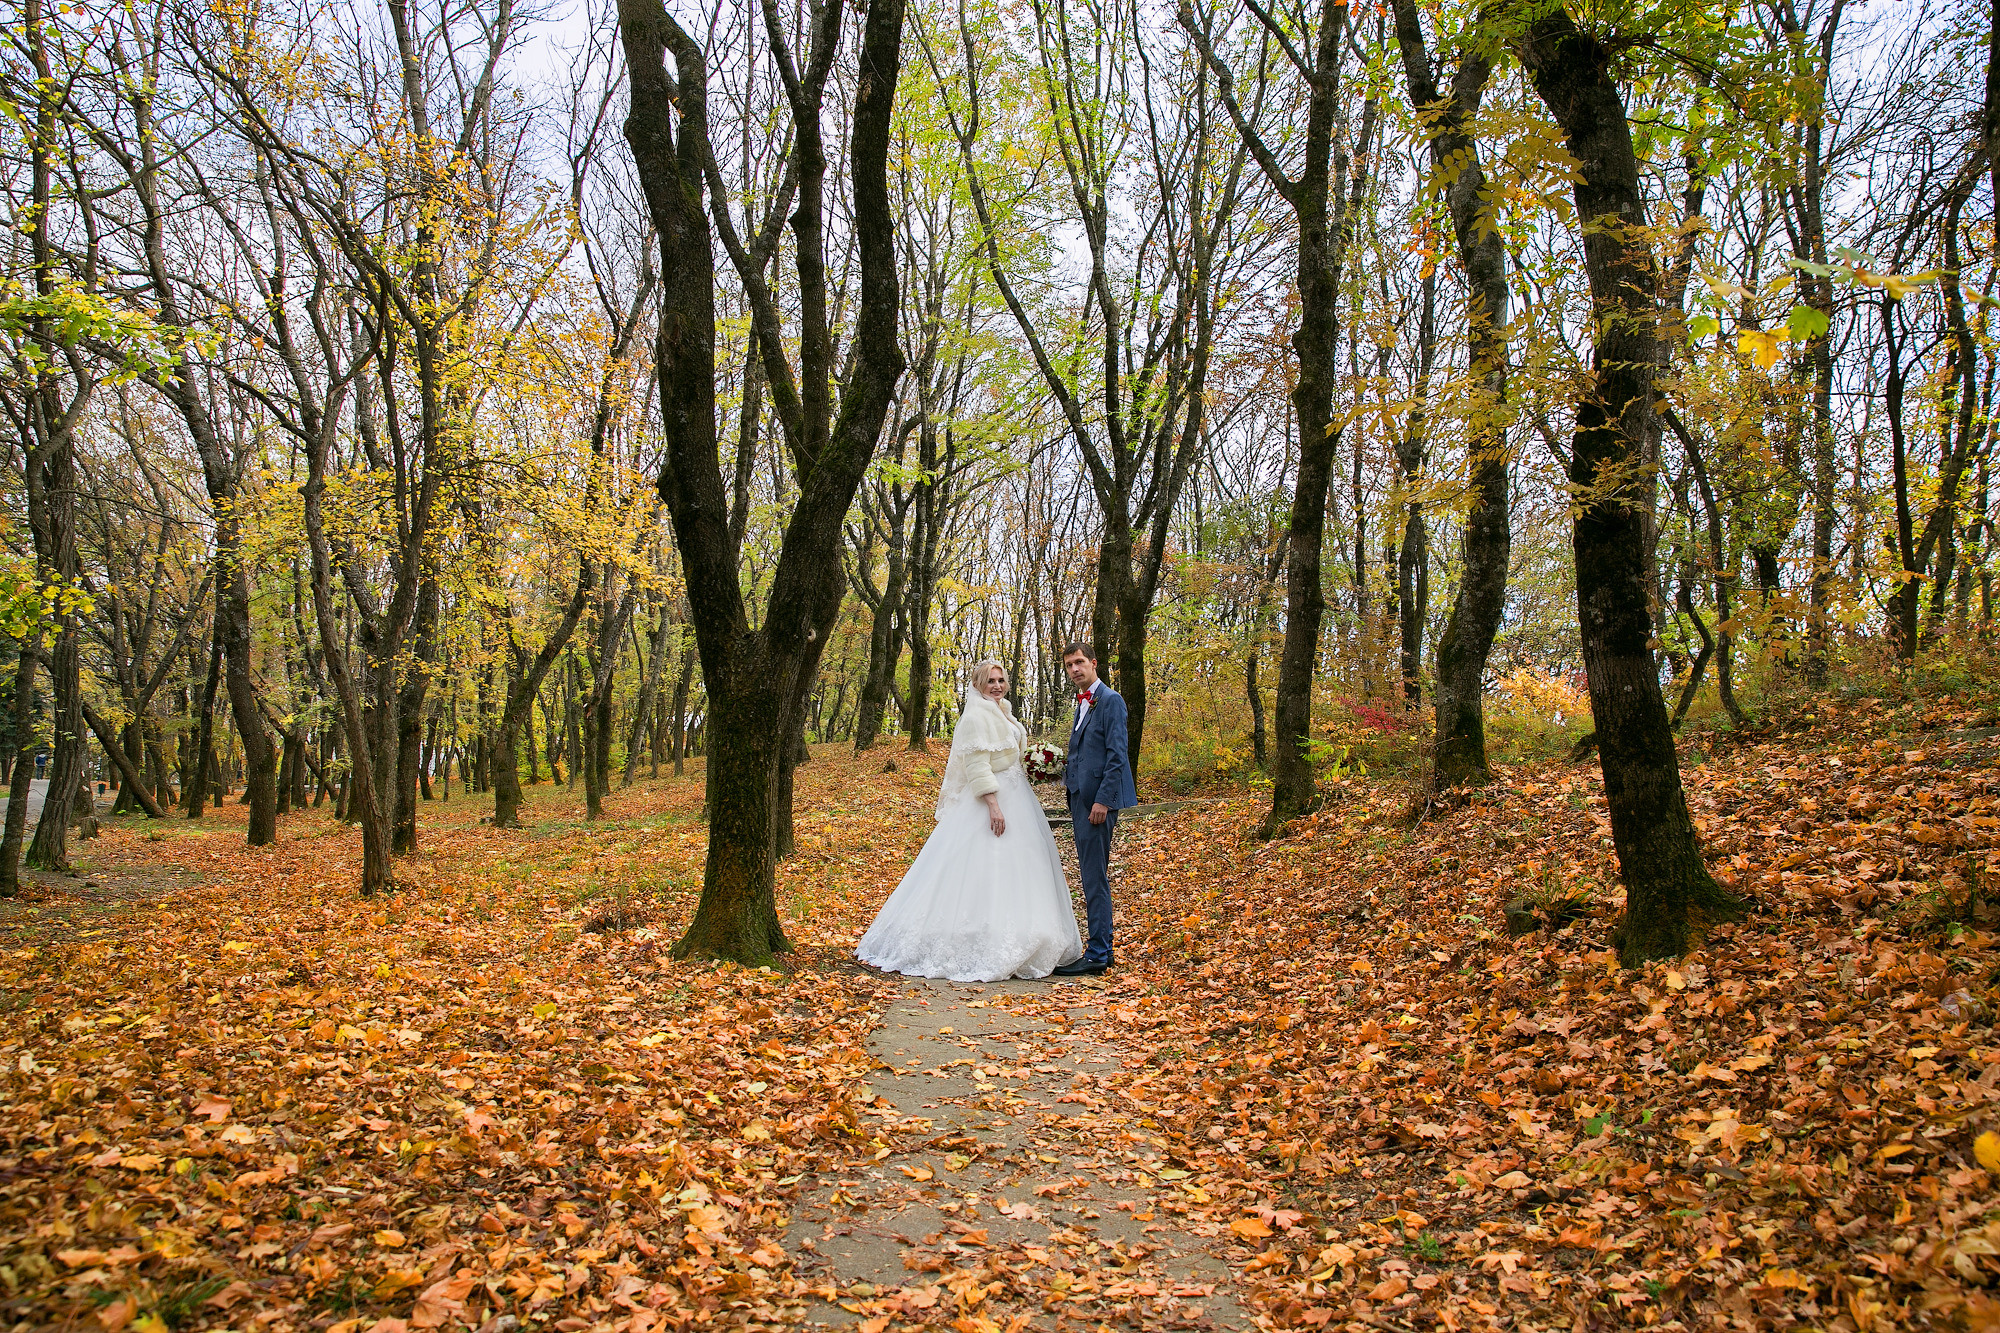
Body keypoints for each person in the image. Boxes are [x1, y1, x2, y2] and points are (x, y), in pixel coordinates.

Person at [856, 661, 1083, 982]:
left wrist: (1036, 764)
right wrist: (993, 804)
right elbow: (977, 765)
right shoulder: (976, 716)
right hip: (993, 801)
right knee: (984, 867)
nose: (997, 685)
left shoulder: (1003, 710)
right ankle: (975, 938)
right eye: (990, 680)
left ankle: (1025, 932)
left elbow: (1010, 753)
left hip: (1018, 797)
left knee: (1020, 867)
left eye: (1001, 680)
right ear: (977, 684)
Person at [1053, 642, 1136, 976]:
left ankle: (1099, 953)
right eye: (1069, 665)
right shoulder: (1083, 702)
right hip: (1079, 799)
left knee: (1093, 877)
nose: (1075, 669)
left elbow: (1118, 755)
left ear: (1093, 663)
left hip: (1097, 804)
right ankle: (1103, 948)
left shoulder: (1110, 700)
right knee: (1090, 874)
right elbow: (1084, 754)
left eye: (1079, 662)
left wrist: (1103, 800)